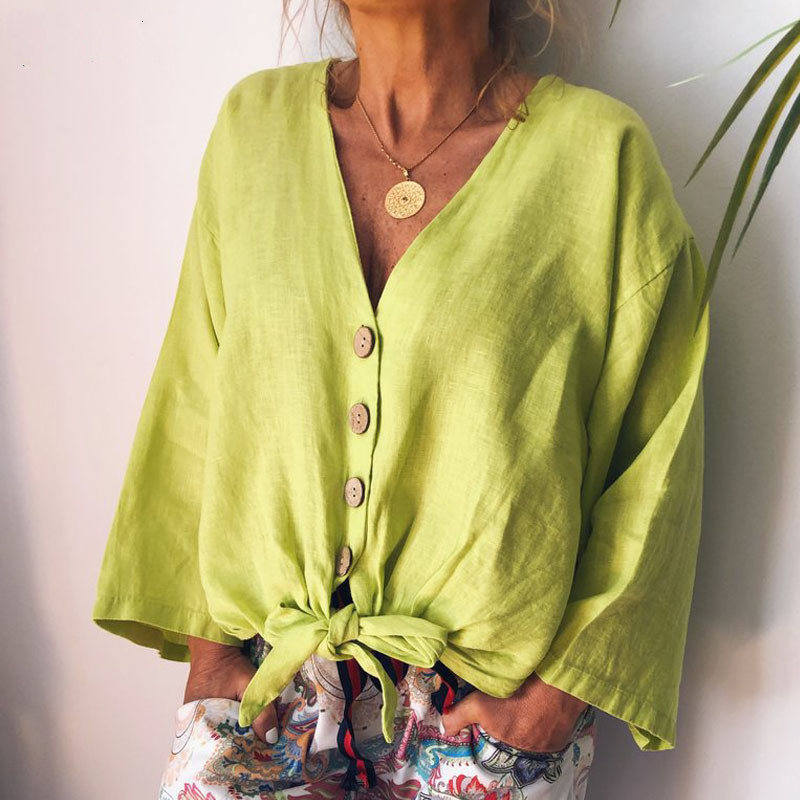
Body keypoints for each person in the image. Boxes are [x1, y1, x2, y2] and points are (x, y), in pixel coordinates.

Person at [92, 2, 711, 798]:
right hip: (265, 693)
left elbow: (657, 450)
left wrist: (555, 701)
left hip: (485, 720)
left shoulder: (599, 157)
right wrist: (211, 659)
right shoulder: (254, 131)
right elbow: (194, 400)